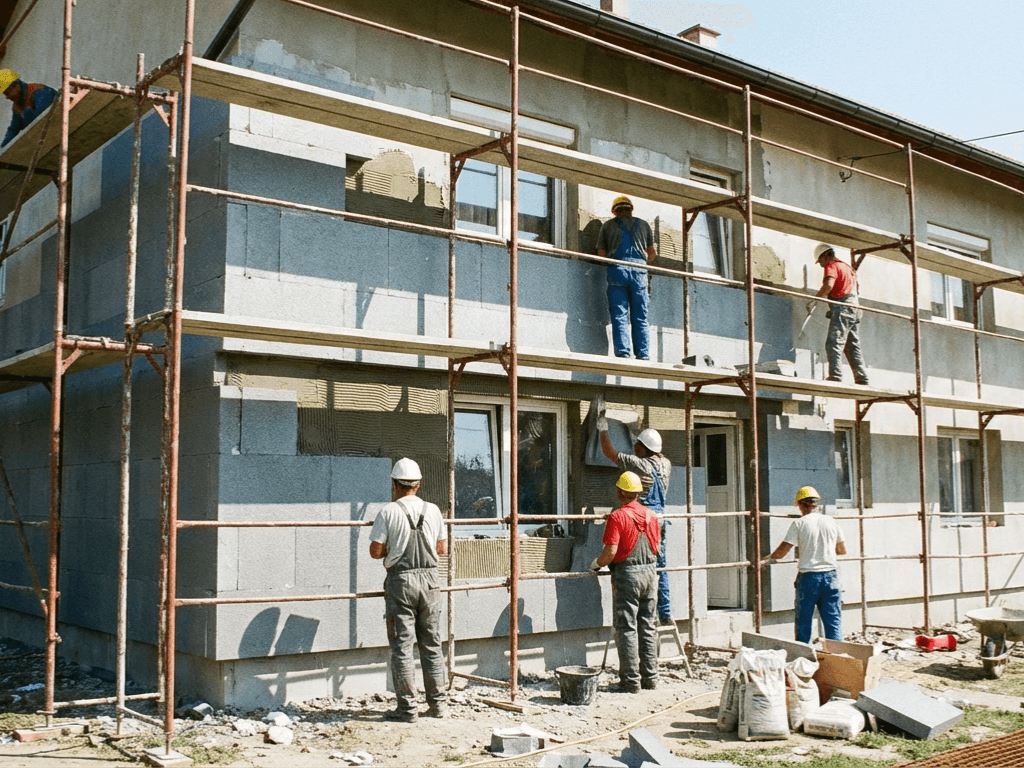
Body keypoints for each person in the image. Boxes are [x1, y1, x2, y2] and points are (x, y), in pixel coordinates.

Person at [369, 457, 449, 723]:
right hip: (430, 582)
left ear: (394, 485)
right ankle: (438, 705)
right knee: (432, 643)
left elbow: (375, 552)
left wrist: (393, 546)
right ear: (418, 484)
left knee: (402, 646)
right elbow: (441, 549)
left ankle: (407, 709)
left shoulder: (388, 512)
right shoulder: (434, 510)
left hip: (401, 582)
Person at [591, 471, 661, 692]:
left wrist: (596, 564)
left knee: (627, 627)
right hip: (651, 573)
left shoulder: (618, 517)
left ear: (620, 491)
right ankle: (651, 679)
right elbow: (656, 547)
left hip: (628, 574)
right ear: (638, 493)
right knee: (648, 625)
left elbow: (610, 551)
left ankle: (631, 682)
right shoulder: (652, 516)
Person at [597, 422, 672, 624]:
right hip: (660, 519)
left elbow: (609, 452)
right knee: (660, 566)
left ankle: (645, 611)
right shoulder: (665, 463)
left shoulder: (640, 465)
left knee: (639, 564)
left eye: (637, 444)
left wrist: (603, 428)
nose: (634, 448)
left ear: (645, 448)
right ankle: (664, 613)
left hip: (643, 519)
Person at [763, 485, 846, 644]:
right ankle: (839, 660)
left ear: (801, 505)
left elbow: (781, 553)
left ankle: (803, 659)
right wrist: (823, 550)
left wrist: (766, 559)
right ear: (817, 504)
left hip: (809, 577)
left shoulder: (799, 524)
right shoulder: (831, 521)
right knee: (833, 620)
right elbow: (841, 550)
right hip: (831, 575)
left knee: (804, 620)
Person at [596, 195, 657, 360]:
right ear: (631, 209)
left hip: (617, 270)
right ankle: (643, 355)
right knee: (640, 316)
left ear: (615, 211)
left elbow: (601, 254)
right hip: (640, 272)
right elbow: (651, 254)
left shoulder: (608, 226)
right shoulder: (644, 225)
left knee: (619, 314)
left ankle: (623, 352)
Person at [808, 244, 869, 385]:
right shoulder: (848, 268)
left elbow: (828, 285)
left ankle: (835, 375)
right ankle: (862, 378)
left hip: (844, 308)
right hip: (855, 308)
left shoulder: (832, 265)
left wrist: (814, 302)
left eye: (820, 261)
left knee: (833, 342)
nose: (821, 265)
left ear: (825, 256)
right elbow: (852, 289)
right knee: (852, 345)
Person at [0, 69, 57, 147]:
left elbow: (42, 118)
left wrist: (27, 112)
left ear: (15, 85)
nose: (7, 97)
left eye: (7, 93)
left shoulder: (38, 91)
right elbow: (13, 129)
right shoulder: (17, 105)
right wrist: (2, 148)